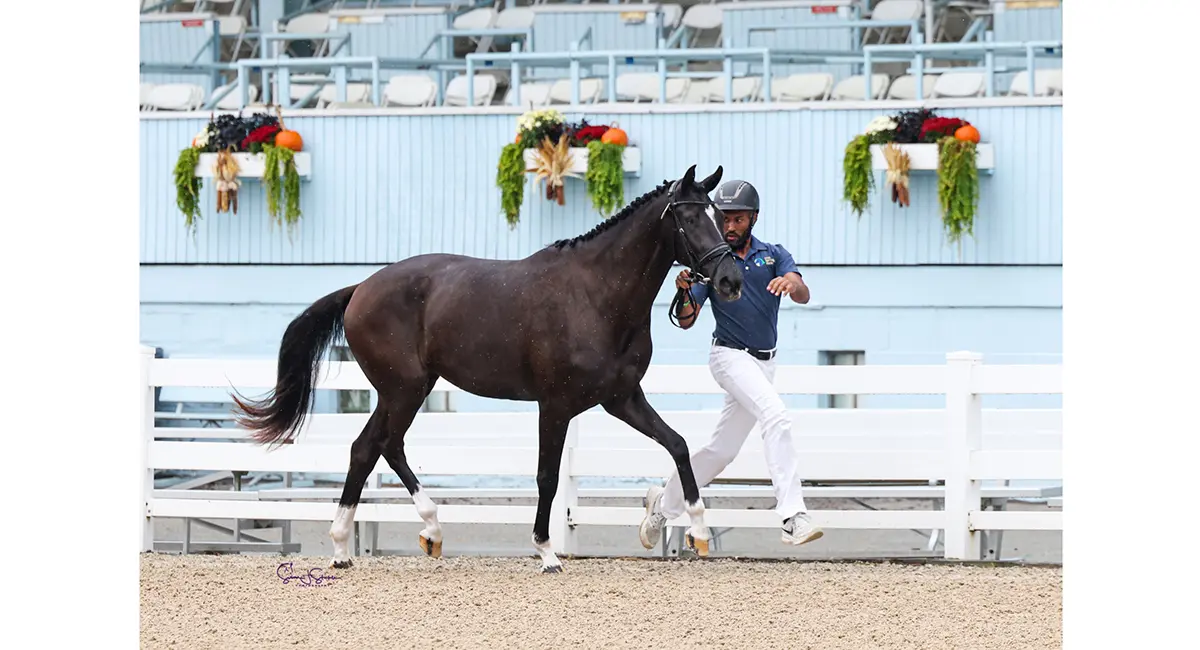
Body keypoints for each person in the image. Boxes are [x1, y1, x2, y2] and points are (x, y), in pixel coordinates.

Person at [639, 179, 824, 552]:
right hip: (728, 355)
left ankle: (663, 503)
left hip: (764, 363)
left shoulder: (774, 256)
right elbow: (688, 319)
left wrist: (790, 281)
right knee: (777, 417)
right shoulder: (714, 262)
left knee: (721, 452)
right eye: (725, 219)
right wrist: (684, 291)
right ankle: (792, 517)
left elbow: (804, 295)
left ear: (753, 218)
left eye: (738, 219)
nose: (729, 226)